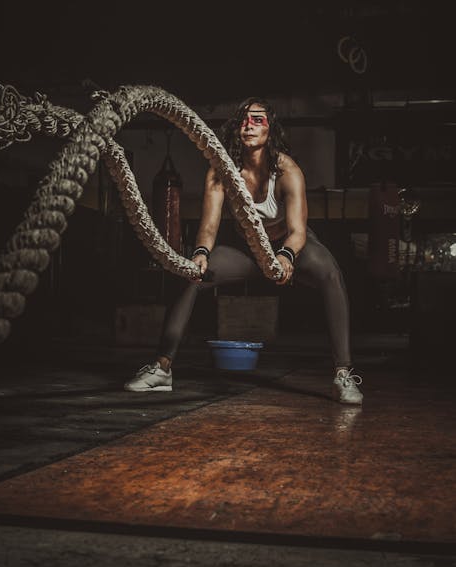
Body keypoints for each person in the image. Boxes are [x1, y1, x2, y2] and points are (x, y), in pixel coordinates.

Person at [124, 98, 363, 404]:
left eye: (258, 119)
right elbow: (208, 230)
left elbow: (298, 231)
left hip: (289, 247)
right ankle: (162, 368)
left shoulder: (287, 169)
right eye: (244, 121)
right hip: (246, 250)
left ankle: (343, 374)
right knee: (190, 275)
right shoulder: (221, 172)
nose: (249, 125)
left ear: (270, 129)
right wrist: (200, 255)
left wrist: (286, 256)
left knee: (331, 273)